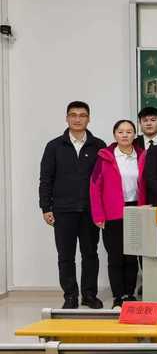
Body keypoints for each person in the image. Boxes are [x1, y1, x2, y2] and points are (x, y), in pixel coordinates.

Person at [39, 101, 106, 309]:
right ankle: (70, 296)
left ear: (89, 118)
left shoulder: (99, 145)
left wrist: (102, 209)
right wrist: (46, 207)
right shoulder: (54, 146)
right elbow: (46, 179)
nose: (77, 119)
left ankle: (89, 295)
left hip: (90, 211)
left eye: (82, 115)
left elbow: (104, 180)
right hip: (63, 210)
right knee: (65, 256)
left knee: (90, 254)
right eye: (73, 115)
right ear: (67, 118)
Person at [89, 120, 147, 309]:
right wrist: (98, 215)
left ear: (134, 135)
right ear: (115, 134)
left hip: (136, 210)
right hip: (112, 212)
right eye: (121, 132)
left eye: (129, 131)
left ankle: (129, 294)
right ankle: (118, 297)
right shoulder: (105, 157)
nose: (125, 135)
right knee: (115, 257)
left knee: (132, 256)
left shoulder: (142, 155)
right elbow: (94, 187)